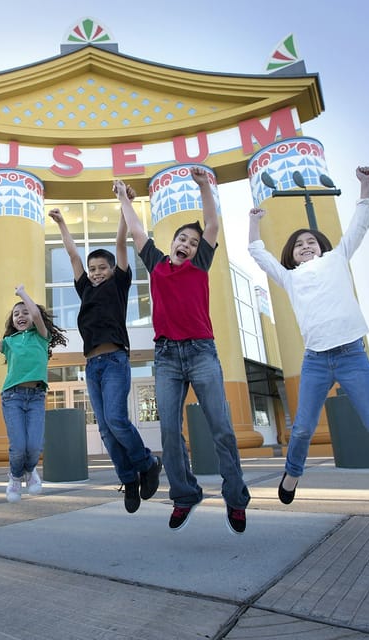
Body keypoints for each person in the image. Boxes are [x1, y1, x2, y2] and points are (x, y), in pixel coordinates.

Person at [248, 165, 369, 504]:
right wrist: (255, 221)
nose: (305, 245)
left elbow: (359, 226)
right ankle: (292, 473)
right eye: (298, 244)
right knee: (302, 427)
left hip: (351, 355)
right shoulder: (289, 277)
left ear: (322, 247)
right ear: (290, 255)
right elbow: (259, 253)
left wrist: (366, 184)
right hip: (316, 360)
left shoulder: (336, 259)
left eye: (311, 242)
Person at [115, 167, 250, 534]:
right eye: (182, 240)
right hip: (166, 358)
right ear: (171, 243)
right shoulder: (157, 265)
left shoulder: (201, 263)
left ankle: (235, 499)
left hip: (202, 352)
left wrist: (205, 186)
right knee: (170, 431)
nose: (188, 245)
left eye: (192, 242)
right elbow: (138, 230)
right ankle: (185, 494)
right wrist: (124, 198)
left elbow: (211, 226)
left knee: (221, 427)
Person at [48, 204, 162, 514]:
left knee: (115, 419)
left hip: (114, 361)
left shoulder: (119, 285)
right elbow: (73, 256)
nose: (96, 272)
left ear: (112, 270)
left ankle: (147, 463)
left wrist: (125, 210)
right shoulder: (84, 288)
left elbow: (121, 245)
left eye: (102, 267)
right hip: (92, 366)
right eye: (93, 268)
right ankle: (129, 479)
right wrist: (61, 224)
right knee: (104, 429)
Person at [0, 285, 68, 502]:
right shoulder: (9, 343)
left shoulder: (42, 336)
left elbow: (38, 314)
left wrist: (22, 293)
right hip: (12, 397)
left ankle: (29, 471)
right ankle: (14, 476)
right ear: (12, 321)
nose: (20, 316)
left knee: (34, 446)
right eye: (16, 314)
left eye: (25, 312)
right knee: (19, 446)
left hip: (36, 397)